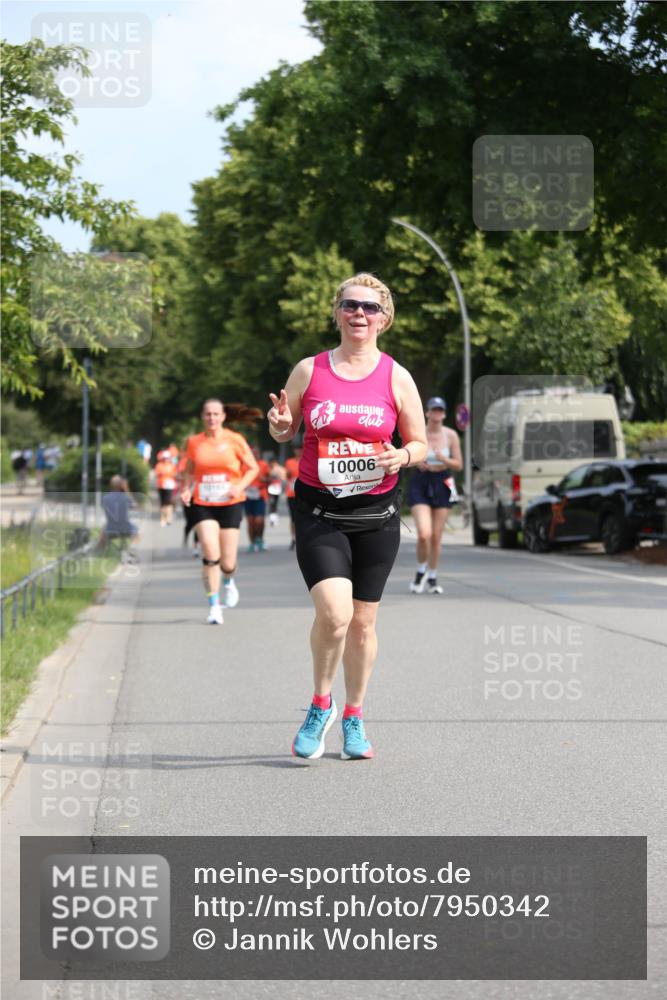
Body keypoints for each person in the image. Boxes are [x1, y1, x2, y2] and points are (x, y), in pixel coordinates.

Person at [267, 273, 426, 761]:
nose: (360, 314)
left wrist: (403, 457)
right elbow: (285, 429)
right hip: (320, 511)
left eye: (371, 308)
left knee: (362, 624)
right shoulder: (309, 371)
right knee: (334, 614)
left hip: (376, 515)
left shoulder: (396, 376)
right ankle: (321, 704)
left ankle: (354, 716)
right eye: (351, 305)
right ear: (337, 312)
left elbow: (419, 443)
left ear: (385, 318)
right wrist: (278, 427)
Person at [180, 399, 259, 624]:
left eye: (216, 414)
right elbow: (189, 471)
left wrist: (239, 486)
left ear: (223, 416)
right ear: (202, 417)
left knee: (227, 563)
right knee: (209, 552)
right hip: (203, 503)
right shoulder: (194, 442)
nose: (212, 418)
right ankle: (214, 606)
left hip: (230, 503)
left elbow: (252, 468)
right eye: (208, 414)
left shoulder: (235, 440)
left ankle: (228, 581)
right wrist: (186, 489)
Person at [407, 396, 463, 595]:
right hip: (421, 481)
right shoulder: (418, 432)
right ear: (427, 413)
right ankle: (420, 570)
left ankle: (432, 575)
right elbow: (407, 456)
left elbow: (459, 464)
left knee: (436, 536)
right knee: (424, 534)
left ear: (445, 414)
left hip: (442, 481)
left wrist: (443, 459)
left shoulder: (451, 435)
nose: (437, 414)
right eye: (434, 410)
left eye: (440, 410)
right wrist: (417, 462)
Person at [99, 475, 139, 556]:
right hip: (126, 528)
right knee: (136, 532)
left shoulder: (105, 498)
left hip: (110, 529)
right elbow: (136, 506)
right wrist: (127, 489)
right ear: (121, 485)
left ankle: (100, 553)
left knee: (103, 530)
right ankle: (132, 550)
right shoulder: (126, 497)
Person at [244, 448, 269, 552]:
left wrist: (265, 480)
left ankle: (260, 539)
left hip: (260, 494)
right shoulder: (244, 465)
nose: (255, 455)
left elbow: (270, 478)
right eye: (253, 453)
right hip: (247, 495)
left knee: (259, 520)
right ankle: (252, 542)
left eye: (257, 453)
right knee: (250, 521)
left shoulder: (263, 464)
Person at [284, 442, 303, 550]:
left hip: (302, 493)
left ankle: (302, 537)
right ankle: (293, 538)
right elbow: (286, 475)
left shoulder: (305, 460)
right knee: (293, 518)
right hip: (291, 493)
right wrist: (288, 474)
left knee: (302, 516)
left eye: (299, 449)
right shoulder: (289, 462)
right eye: (296, 449)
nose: (298, 451)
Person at [154, 450, 177, 526]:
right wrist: (161, 474)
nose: (166, 459)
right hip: (161, 486)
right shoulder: (159, 465)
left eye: (167, 458)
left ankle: (168, 518)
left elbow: (175, 474)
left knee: (169, 502)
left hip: (170, 486)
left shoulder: (172, 466)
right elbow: (156, 474)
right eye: (165, 458)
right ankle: (162, 518)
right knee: (162, 503)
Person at [267, 456, 286, 527]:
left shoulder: (280, 469)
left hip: (278, 489)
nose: (270, 465)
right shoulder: (269, 469)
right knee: (272, 504)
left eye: (271, 463)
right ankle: (273, 518)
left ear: (274, 462)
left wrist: (278, 478)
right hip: (270, 489)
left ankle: (274, 518)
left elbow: (284, 479)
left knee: (275, 504)